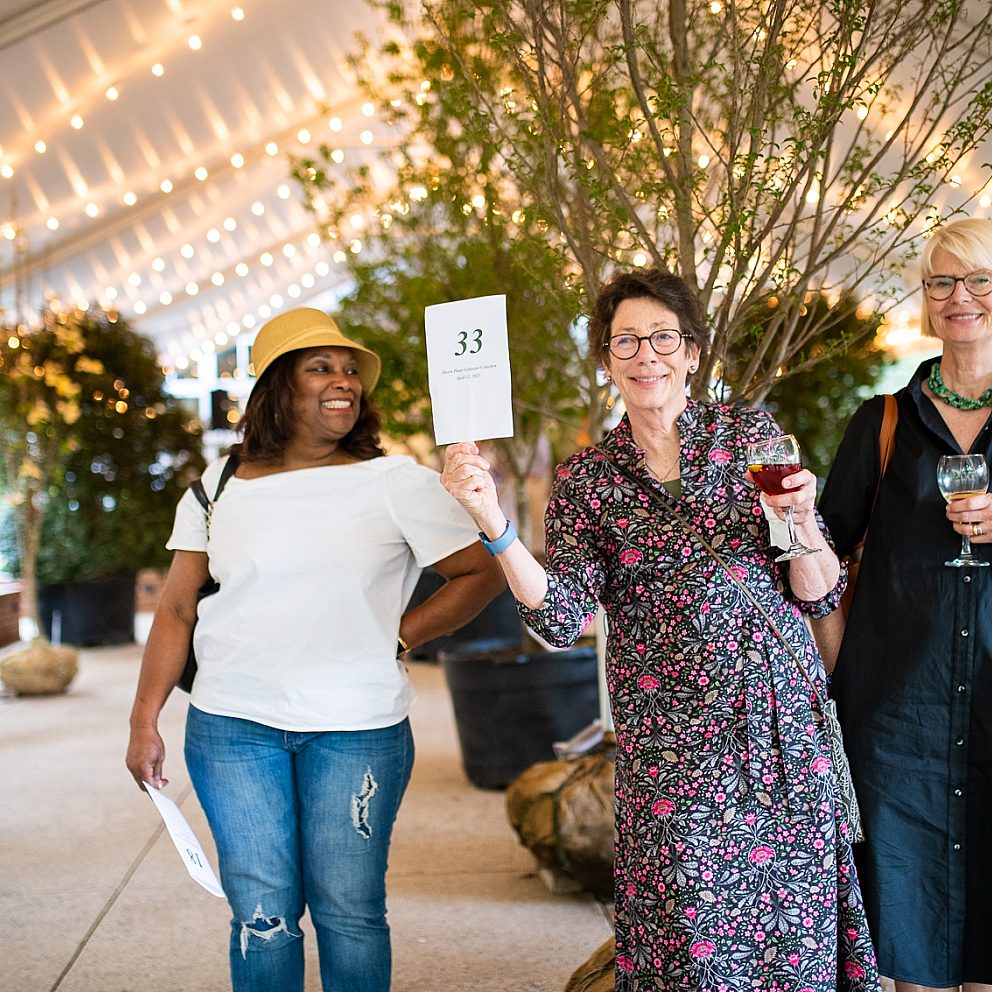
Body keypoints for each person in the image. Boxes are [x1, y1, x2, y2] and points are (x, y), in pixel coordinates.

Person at [441, 268, 880, 992]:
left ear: (693, 351)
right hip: (675, 749)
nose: (648, 355)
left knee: (793, 939)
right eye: (626, 342)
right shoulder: (588, 481)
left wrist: (801, 523)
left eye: (664, 337)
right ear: (606, 360)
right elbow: (560, 620)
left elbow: (817, 589)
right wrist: (493, 523)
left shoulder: (750, 438)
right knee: (692, 938)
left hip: (780, 736)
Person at [126, 307, 504, 992]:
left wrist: (401, 635)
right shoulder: (217, 485)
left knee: (350, 914)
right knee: (263, 917)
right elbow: (177, 608)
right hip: (231, 726)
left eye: (350, 369)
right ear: (278, 386)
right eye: (321, 367)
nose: (344, 381)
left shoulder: (394, 482)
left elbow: (480, 574)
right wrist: (143, 720)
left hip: (356, 729)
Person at [818, 217, 992, 992]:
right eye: (943, 282)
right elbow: (820, 556)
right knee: (907, 947)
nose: (962, 298)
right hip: (898, 716)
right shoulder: (882, 422)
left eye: (981, 279)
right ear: (926, 300)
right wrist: (787, 522)